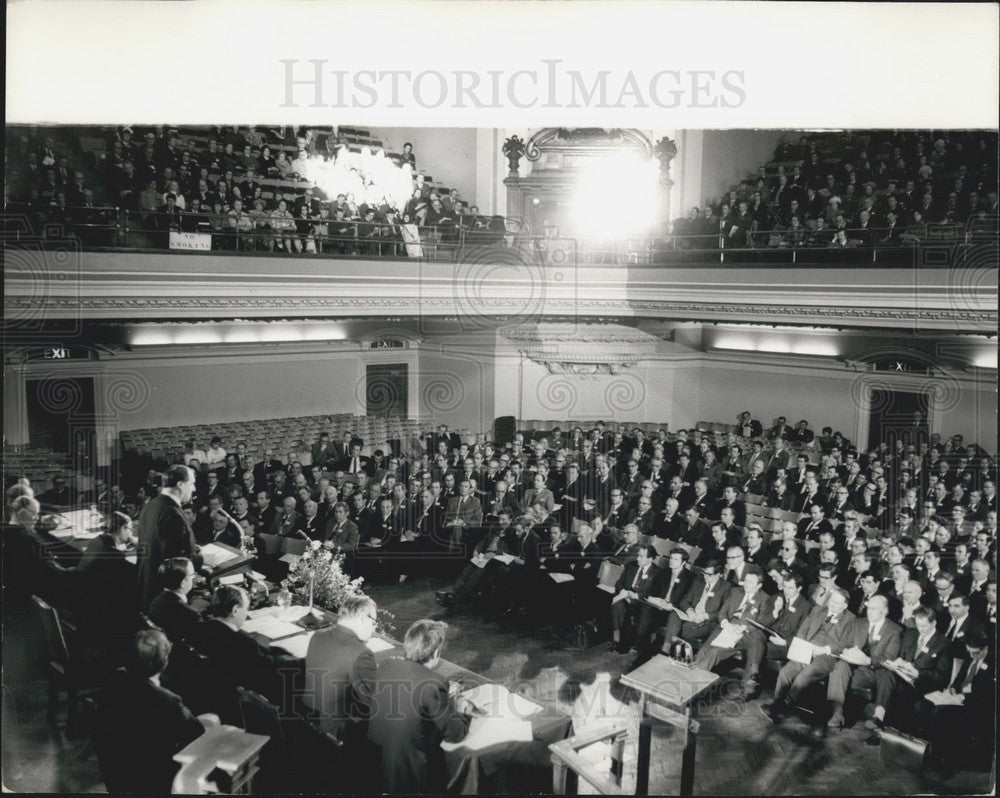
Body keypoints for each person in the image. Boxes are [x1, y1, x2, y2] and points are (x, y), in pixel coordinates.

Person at [95, 629, 218, 793]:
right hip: (157, 782)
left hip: (119, 776)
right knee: (212, 723)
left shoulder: (114, 680)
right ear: (164, 661)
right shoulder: (170, 702)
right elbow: (197, 733)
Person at [367, 620, 474, 794]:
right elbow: (455, 734)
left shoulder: (386, 665)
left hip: (375, 766)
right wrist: (462, 710)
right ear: (436, 652)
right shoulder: (435, 683)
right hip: (410, 778)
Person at [763, 588, 857, 722]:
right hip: (806, 649)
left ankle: (784, 706)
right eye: (832, 600)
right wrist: (802, 648)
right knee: (785, 672)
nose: (833, 604)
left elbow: (847, 643)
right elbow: (802, 631)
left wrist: (825, 649)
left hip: (826, 656)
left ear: (845, 606)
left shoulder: (851, 619)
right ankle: (776, 703)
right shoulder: (817, 610)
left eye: (837, 603)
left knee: (804, 676)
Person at [303, 595, 378, 747]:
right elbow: (374, 702)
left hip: (306, 722)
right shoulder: (361, 652)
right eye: (374, 623)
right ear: (363, 617)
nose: (374, 630)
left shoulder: (318, 634)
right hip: (334, 735)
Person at [136, 465, 203, 609]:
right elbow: (175, 564)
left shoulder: (150, 505)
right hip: (166, 597)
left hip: (147, 587)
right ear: (180, 484)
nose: (194, 489)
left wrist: (189, 546)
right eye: (191, 484)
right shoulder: (173, 514)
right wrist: (200, 558)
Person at [146, 557, 202, 643]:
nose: (195, 576)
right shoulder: (192, 616)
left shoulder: (155, 601)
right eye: (193, 574)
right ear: (183, 583)